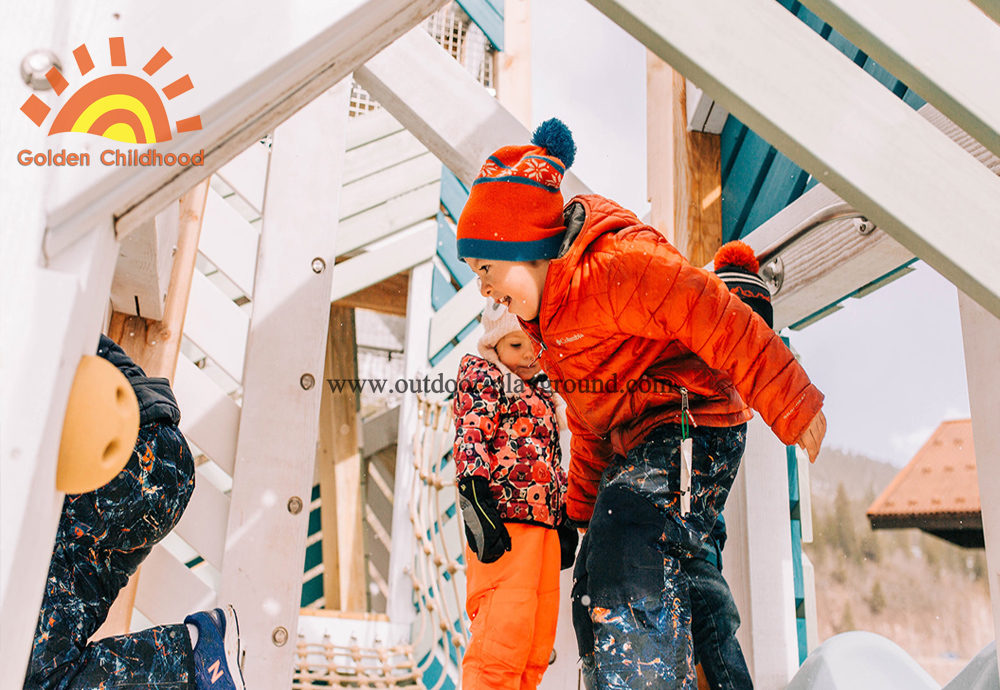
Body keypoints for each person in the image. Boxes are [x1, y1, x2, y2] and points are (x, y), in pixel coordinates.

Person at [455, 119, 826, 690]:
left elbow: (715, 314)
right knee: (678, 572)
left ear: (525, 244)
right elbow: (589, 426)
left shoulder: (612, 267)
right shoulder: (551, 328)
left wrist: (790, 400)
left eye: (486, 269)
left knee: (627, 548)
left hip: (689, 421)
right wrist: (574, 516)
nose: (484, 288)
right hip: (645, 439)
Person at [24, 335, 246, 690]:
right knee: (40, 677)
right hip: (131, 474)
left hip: (131, 448)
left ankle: (194, 661)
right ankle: (193, 658)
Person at [453, 299, 578, 690]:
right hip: (504, 525)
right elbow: (471, 432)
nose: (527, 355)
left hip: (542, 530)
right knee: (501, 641)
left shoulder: (543, 395)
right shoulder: (485, 376)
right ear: (494, 347)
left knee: (535, 645)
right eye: (515, 345)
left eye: (532, 345)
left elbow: (550, 458)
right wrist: (474, 496)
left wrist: (564, 517)